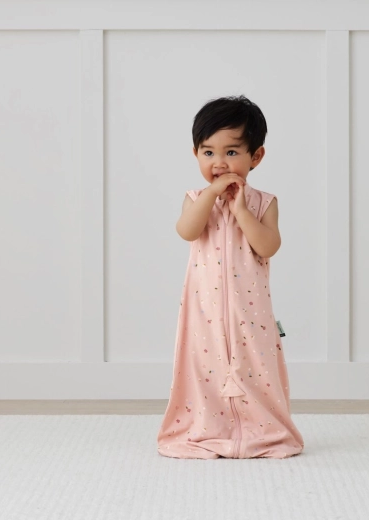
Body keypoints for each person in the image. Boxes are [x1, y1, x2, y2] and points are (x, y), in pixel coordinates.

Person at [157, 95, 304, 459]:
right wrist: (211, 196)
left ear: (256, 156)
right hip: (203, 313)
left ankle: (262, 430)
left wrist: (241, 211)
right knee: (205, 372)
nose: (219, 162)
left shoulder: (263, 203)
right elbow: (187, 231)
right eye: (208, 153)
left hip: (250, 314)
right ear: (196, 154)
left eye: (232, 152)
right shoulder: (196, 198)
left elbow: (268, 246)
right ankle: (209, 429)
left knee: (256, 371)